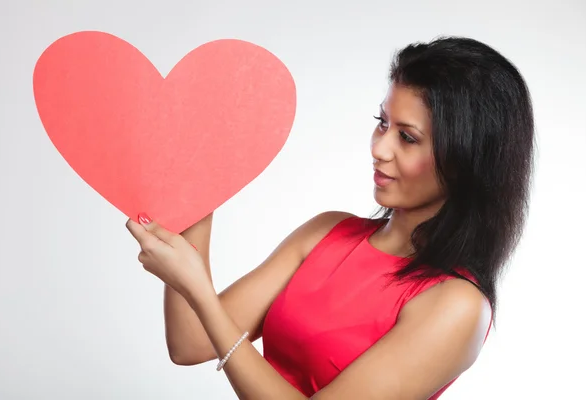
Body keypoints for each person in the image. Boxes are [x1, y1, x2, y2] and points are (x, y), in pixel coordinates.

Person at [126, 36, 535, 399]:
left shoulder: (456, 304)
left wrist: (198, 290)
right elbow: (189, 343)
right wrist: (201, 192)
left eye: (407, 137)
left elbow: (207, 320)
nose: (380, 148)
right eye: (382, 123)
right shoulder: (329, 231)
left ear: (466, 162)